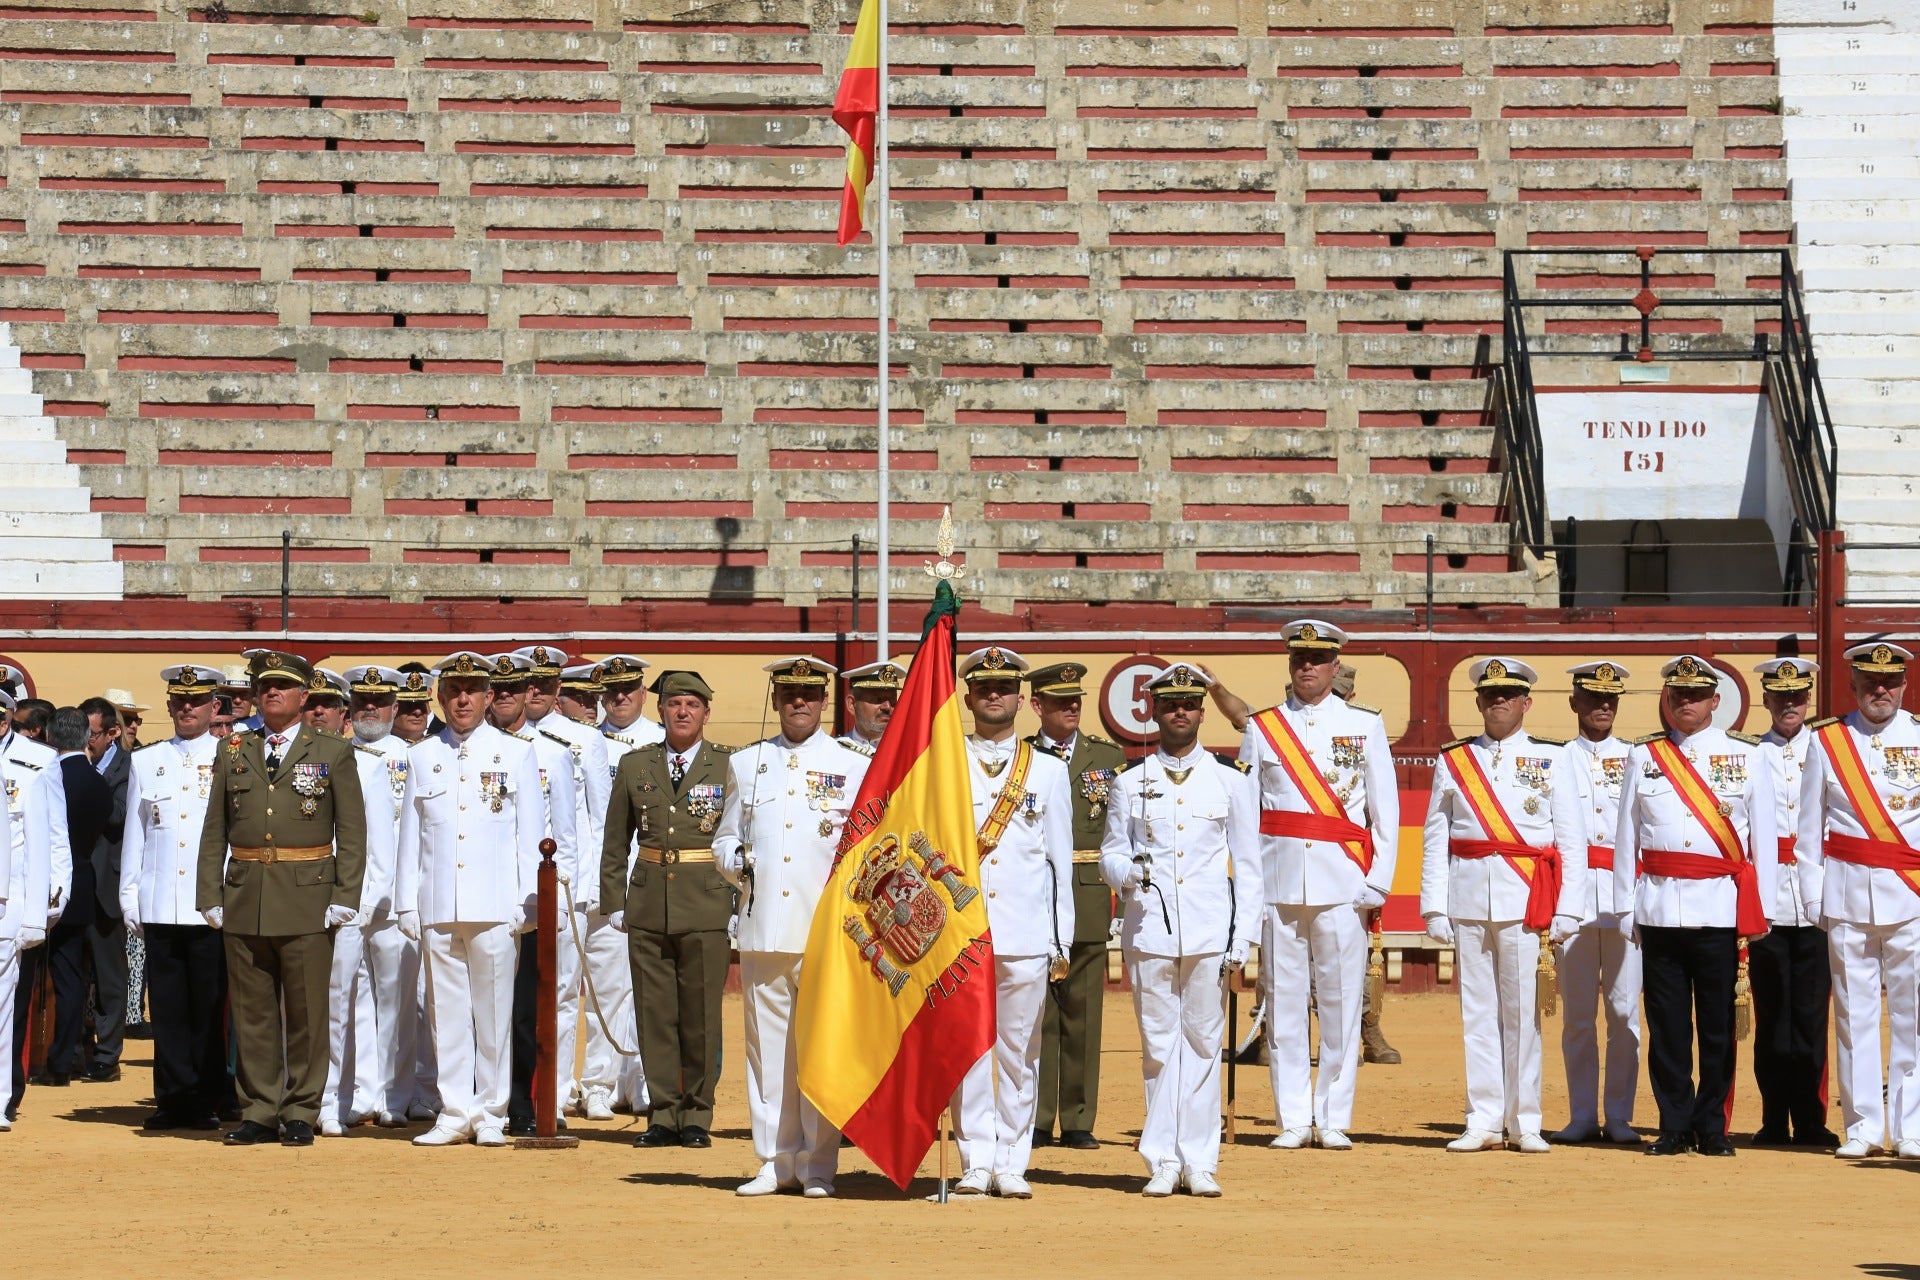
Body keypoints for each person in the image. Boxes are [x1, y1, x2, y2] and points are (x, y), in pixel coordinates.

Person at [195, 648, 368, 1147]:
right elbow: (214, 831)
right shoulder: (233, 751)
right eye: (264, 687)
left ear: (303, 695)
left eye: (283, 686)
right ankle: (259, 1109)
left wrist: (344, 895)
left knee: (308, 1012)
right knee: (252, 1013)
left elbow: (352, 832)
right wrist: (210, 892)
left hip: (308, 896)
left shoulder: (332, 751)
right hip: (246, 893)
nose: (272, 693)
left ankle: (301, 1108)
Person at [1238, 620, 1397, 1150]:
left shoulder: (1364, 725)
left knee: (1340, 1003)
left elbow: (1384, 813)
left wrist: (1377, 882)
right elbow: (1247, 815)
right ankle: (1292, 1119)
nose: (1307, 666)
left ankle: (1331, 1116)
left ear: (1335, 666)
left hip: (1342, 884)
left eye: (1317, 658)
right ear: (1289, 664)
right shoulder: (1262, 728)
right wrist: (1249, 890)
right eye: (1299, 658)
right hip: (1279, 887)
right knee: (1281, 1004)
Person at [717, 657, 871, 1198]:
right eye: (789, 694)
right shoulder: (746, 763)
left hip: (825, 930)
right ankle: (774, 1161)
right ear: (777, 699)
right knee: (767, 1052)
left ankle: (818, 1165)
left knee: (821, 1050)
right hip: (764, 927)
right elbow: (724, 837)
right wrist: (734, 859)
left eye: (808, 693)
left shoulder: (850, 763)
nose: (798, 702)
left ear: (825, 700)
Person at [1101, 664, 1255, 1197]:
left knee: (1205, 1043)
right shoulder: (1129, 782)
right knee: (1159, 1046)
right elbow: (1111, 853)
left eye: (1188, 703)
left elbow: (1248, 865)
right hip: (1148, 928)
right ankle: (1163, 1158)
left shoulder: (1230, 782)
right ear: (1155, 712)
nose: (1179, 712)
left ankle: (1200, 1160)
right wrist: (1126, 874)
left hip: (1211, 929)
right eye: (1169, 704)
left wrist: (1244, 936)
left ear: (1201, 711)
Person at [1616, 655, 1776, 1157]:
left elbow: (1763, 842)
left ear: (1715, 701)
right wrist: (1627, 908)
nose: (1686, 702)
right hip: (1659, 908)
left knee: (1715, 1025)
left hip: (1719, 910)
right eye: (1678, 694)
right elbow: (1627, 838)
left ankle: (1712, 1126)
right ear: (1668, 699)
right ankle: (1673, 1124)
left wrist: (1760, 911)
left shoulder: (1747, 757)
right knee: (1666, 1025)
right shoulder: (1644, 757)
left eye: (1696, 694)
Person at [1423, 659, 1585, 1153]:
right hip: (1469, 897)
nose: (1499, 701)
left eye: (1509, 695)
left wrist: (1569, 909)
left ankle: (1525, 1120)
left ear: (1526, 703)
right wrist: (1434, 905)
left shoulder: (1554, 758)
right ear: (1478, 702)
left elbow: (1571, 841)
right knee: (1477, 1014)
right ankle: (1484, 1119)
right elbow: (1436, 836)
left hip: (1526, 900)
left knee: (1522, 1014)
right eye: (1491, 694)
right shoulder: (1454, 760)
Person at [395, 652, 544, 1147]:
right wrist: (406, 904)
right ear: (440, 696)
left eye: (472, 690)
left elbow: (530, 835)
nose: (462, 699)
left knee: (495, 1012)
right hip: (439, 904)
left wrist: (528, 905)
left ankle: (491, 1113)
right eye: (453, 690)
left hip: (497, 904)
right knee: (446, 1013)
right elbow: (410, 837)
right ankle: (454, 1110)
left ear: (487, 697)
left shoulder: (515, 753)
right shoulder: (422, 756)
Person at [950, 645, 1071, 1198]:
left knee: (1020, 1051)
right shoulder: (944, 763)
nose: (993, 695)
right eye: (983, 687)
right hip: (963, 928)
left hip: (1024, 931)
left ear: (1022, 700)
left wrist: (1059, 938)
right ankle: (975, 1157)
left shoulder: (1047, 771)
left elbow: (1059, 860)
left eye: (1003, 687)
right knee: (968, 1051)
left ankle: (1012, 1161)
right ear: (968, 696)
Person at [1798, 641, 1920, 1158]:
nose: (1881, 690)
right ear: (1853, 684)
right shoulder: (1828, 741)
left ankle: (1912, 1128)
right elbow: (1808, 829)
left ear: (1904, 686)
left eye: (1890, 682)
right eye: (1870, 681)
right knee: (1853, 1016)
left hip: (1912, 897)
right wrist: (1813, 901)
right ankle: (1863, 1126)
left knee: (1914, 1017)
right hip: (1847, 897)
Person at [603, 669, 734, 1150]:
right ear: (660, 711)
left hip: (706, 904)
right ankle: (662, 1113)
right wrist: (614, 900)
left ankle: (697, 1114)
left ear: (705, 713)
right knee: (654, 1014)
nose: (683, 712)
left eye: (692, 705)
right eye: (675, 704)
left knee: (700, 1017)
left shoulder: (727, 766)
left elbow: (739, 838)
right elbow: (615, 840)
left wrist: (738, 902)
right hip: (648, 903)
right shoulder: (636, 764)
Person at [121, 665, 230, 1131]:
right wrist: (130, 895)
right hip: (161, 900)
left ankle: (207, 1096)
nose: (187, 707)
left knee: (208, 1007)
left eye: (197, 700)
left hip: (211, 906)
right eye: (179, 701)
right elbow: (136, 832)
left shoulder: (231, 756)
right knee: (165, 1008)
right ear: (169, 706)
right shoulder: (147, 761)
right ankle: (172, 1099)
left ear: (213, 707)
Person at [1025, 660, 1126, 1151]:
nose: (1071, 707)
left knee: (1083, 1013)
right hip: (1032, 890)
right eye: (1060, 700)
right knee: (1037, 1012)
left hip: (1086, 890)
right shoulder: (1019, 758)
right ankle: (1039, 1117)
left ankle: (1079, 1118)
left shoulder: (1108, 757)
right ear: (1036, 705)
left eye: (1077, 700)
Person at [482, 651, 582, 1138]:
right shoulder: (459, 746)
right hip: (476, 892)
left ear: (528, 695)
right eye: (496, 691)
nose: (505, 698)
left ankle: (524, 1101)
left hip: (528, 899)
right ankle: (478, 1101)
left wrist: (561, 902)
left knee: (527, 1010)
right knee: (474, 1008)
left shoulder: (554, 753)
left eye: (513, 691)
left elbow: (566, 834)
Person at [298, 668, 400, 1137]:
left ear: (344, 715)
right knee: (291, 1005)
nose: (318, 711)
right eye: (310, 703)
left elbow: (378, 843)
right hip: (292, 898)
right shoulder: (280, 758)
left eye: (328, 704)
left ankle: (333, 1099)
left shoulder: (367, 765)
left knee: (340, 1003)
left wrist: (362, 905)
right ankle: (297, 1093)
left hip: (344, 902)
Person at [1749, 657, 1838, 1148]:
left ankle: (1811, 1117)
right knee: (1771, 1016)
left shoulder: (1827, 748)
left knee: (1810, 1015)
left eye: (1797, 696)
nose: (1789, 703)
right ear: (1765, 700)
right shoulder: (1747, 754)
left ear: (1809, 700)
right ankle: (1771, 1117)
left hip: (1818, 900)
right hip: (1767, 901)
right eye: (1780, 696)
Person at [1553, 661, 1642, 1144]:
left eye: (1610, 700)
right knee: (1578, 1016)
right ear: (1574, 703)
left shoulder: (1637, 756)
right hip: (1573, 897)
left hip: (1625, 897)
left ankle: (1621, 1116)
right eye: (1592, 698)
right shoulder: (1555, 758)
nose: (1602, 707)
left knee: (1626, 1014)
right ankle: (1582, 1114)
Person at [338, 666, 421, 1128]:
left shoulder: (413, 757)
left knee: (397, 1000)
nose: (371, 709)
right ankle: (355, 1092)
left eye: (379, 702)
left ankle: (396, 1094)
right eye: (362, 702)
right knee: (348, 998)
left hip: (394, 897)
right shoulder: (334, 755)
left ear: (395, 709)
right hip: (348, 893)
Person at [588, 654, 656, 1117]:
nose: (619, 698)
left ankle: (645, 1082)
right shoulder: (587, 744)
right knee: (607, 987)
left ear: (643, 693)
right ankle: (599, 1081)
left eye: (628, 690)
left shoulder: (660, 741)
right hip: (608, 880)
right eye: (611, 691)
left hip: (653, 877)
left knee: (651, 989)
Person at [1, 684, 68, 1128]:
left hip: (10, 897)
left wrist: (47, 906)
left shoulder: (38, 762)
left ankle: (1, 1096)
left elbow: (54, 840)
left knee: (3, 1006)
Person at [37, 708, 112, 1090]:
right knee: (71, 977)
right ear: (86, 737)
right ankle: (63, 1059)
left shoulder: (44, 776)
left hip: (39, 884)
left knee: (26, 977)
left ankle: (31, 1055)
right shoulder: (98, 782)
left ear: (50, 737)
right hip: (80, 882)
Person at [74, 694, 133, 1080]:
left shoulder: (130, 767)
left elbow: (118, 815)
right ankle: (76, 1048)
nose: (84, 742)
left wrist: (82, 784)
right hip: (75, 883)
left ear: (111, 733)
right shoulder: (75, 764)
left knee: (110, 974)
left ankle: (108, 1055)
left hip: (108, 883)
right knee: (73, 971)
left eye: (91, 735)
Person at [838, 659, 906, 750]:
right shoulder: (835, 751)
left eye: (892, 700)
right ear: (852, 704)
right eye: (878, 699)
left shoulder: (908, 750)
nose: (887, 707)